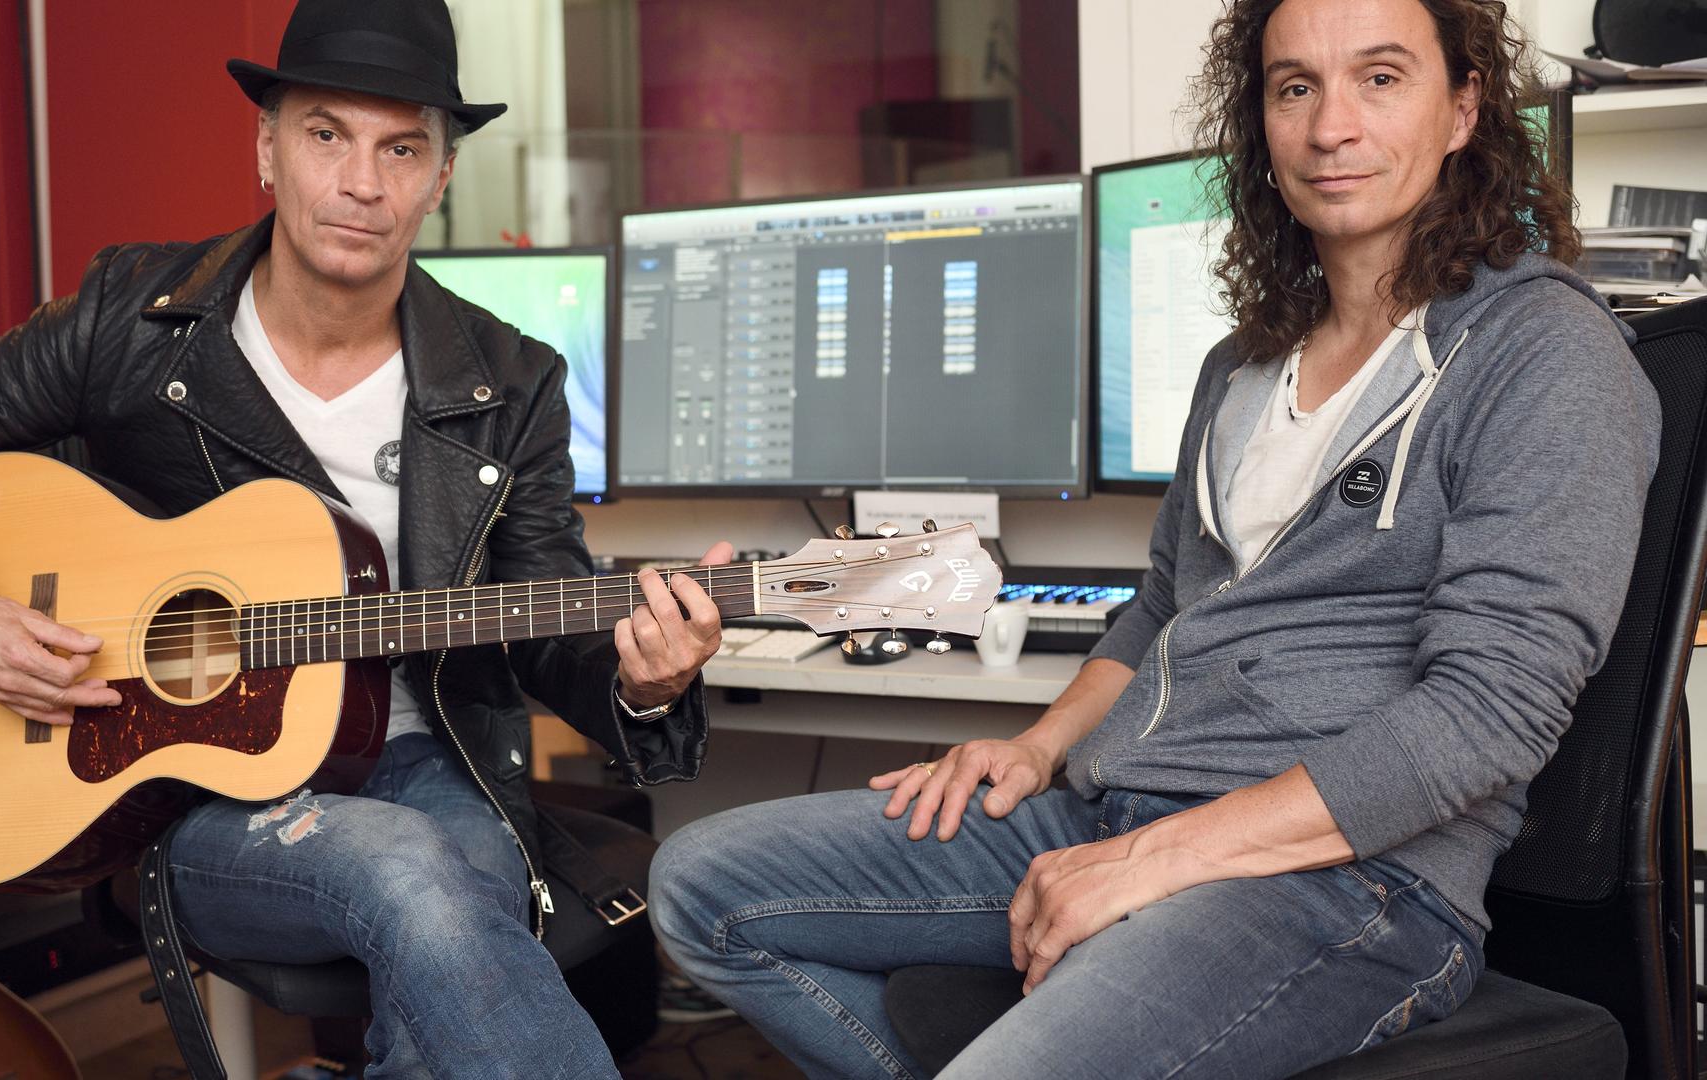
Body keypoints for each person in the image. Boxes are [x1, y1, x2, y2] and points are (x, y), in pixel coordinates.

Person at [648, 0, 1661, 1076]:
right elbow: (1160, 611)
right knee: (700, 887)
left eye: (1380, 78)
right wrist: (1037, 752)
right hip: (1118, 808)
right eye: (1295, 87)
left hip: (1348, 880)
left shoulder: (1547, 354)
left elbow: (1485, 717)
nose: (1331, 128)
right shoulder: (1244, 364)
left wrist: (1147, 861)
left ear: (1462, 108)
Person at [0, 1, 723, 1076]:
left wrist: (648, 685)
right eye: (325, 135)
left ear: (442, 179)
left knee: (444, 884)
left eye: (403, 148)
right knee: (419, 875)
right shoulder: (134, 314)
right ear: (266, 146)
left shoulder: (510, 379)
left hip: (419, 761)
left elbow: (546, 623)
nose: (361, 182)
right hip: (175, 793)